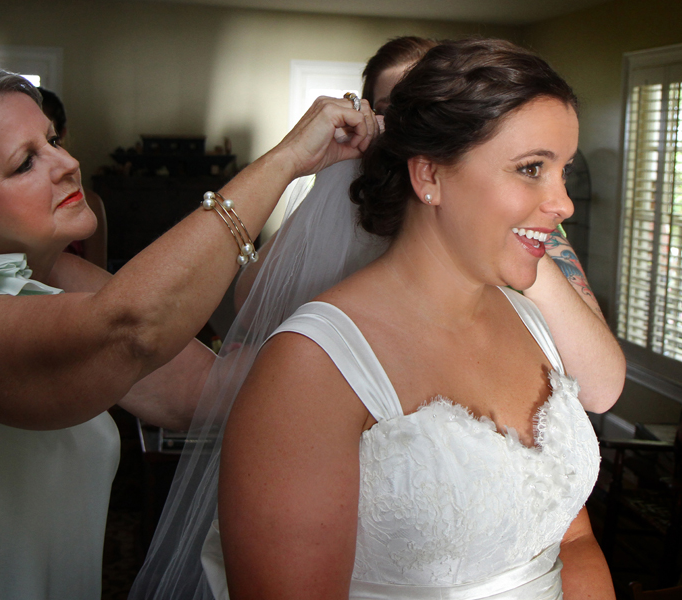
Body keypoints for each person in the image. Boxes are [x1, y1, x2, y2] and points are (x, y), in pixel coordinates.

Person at [0, 70, 379, 600]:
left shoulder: (52, 276)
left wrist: (379, 337)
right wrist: (285, 161)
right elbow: (132, 328)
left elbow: (200, 392)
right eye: (26, 161)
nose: (68, 163)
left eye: (51, 140)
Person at [131, 39, 619, 600]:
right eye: (531, 168)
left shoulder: (535, 325)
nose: (564, 204)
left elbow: (573, 541)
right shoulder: (313, 365)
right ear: (429, 176)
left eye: (563, 170)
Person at [39, 86, 110, 269]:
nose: (72, 164)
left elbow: (99, 284)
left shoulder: (91, 203)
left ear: (62, 133)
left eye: (52, 142)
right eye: (24, 162)